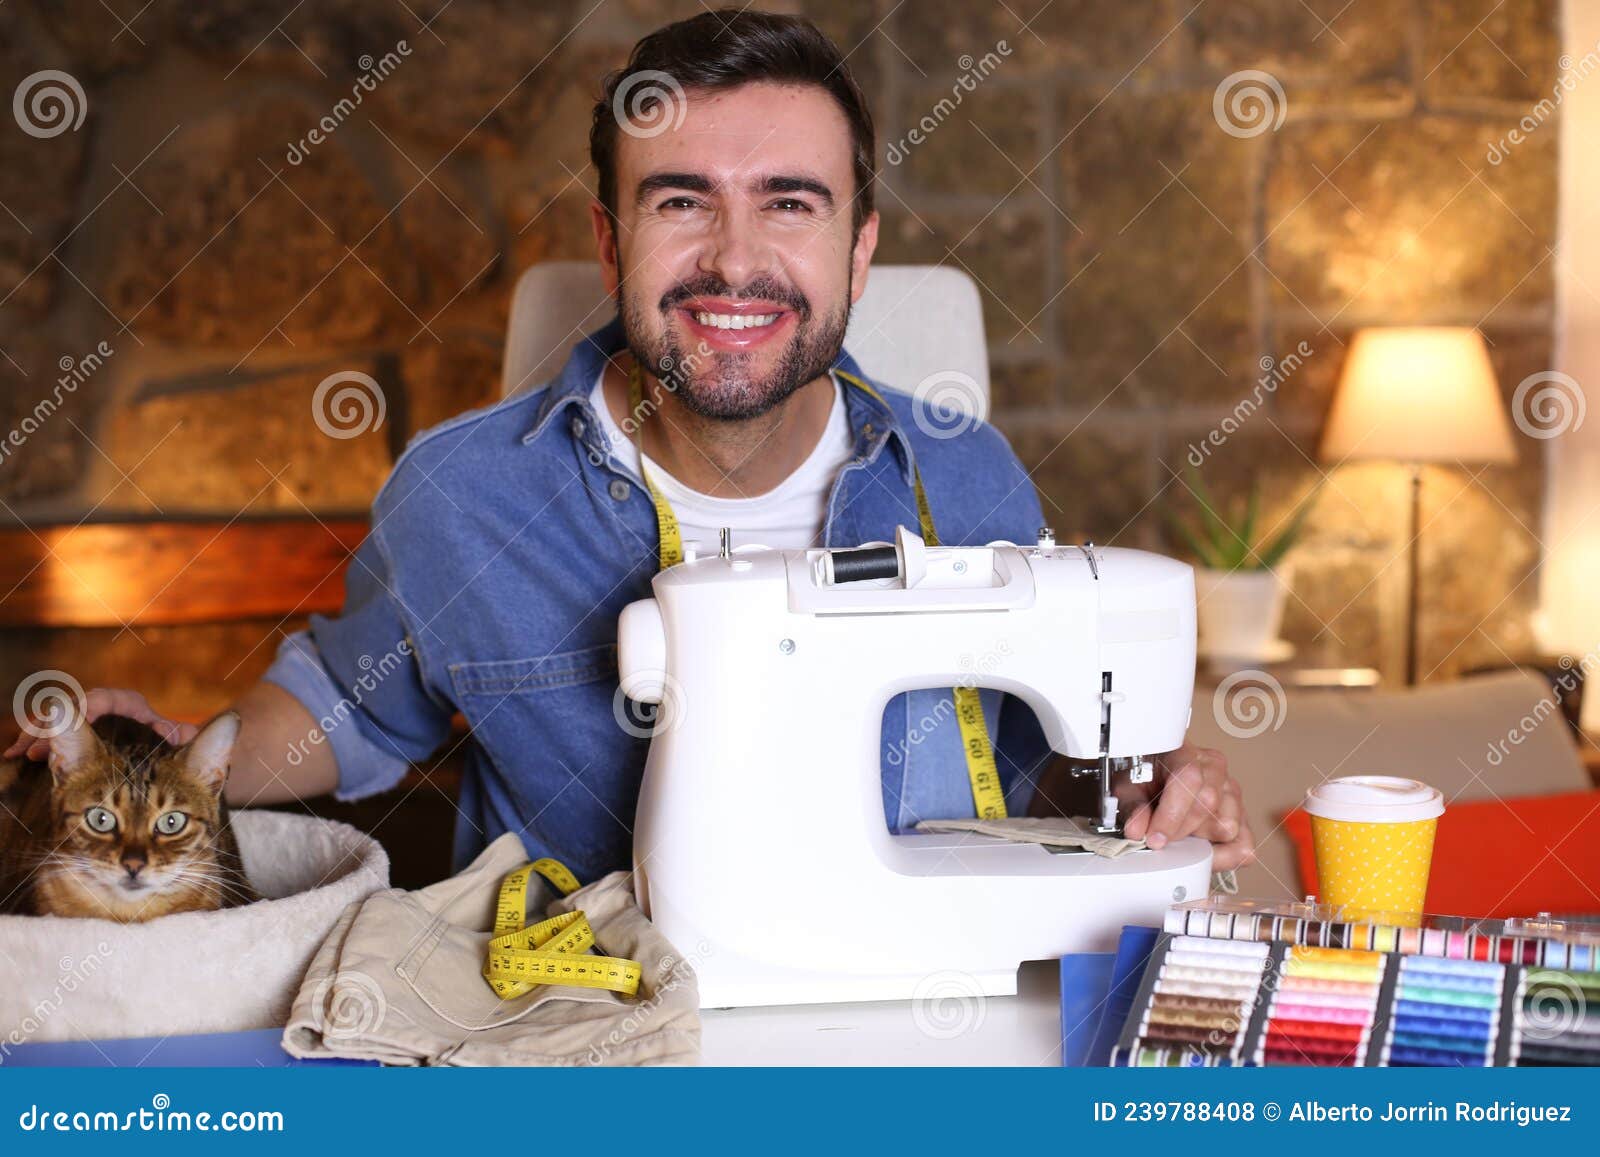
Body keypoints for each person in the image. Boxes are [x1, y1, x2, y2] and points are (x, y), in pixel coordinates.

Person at [6, 11, 1253, 882]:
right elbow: (347, 708)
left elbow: (1052, 772)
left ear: (859, 251)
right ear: (611, 246)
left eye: (789, 202)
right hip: (592, 1039)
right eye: (681, 200)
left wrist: (1160, 782)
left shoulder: (962, 475)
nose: (733, 257)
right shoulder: (462, 494)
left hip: (912, 1024)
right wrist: (181, 757)